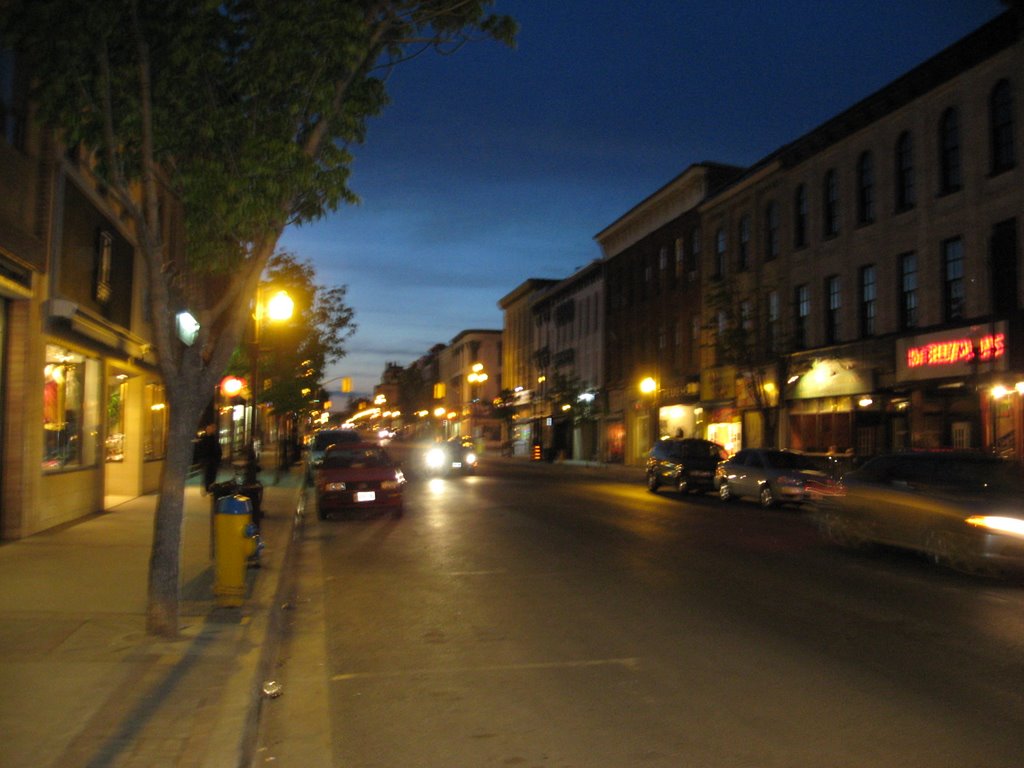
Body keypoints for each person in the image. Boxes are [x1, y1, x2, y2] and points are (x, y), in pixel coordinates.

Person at [196, 423, 221, 494]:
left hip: (213, 459)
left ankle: (211, 487)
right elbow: (201, 448)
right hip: (207, 459)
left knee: (212, 474)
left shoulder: (214, 438)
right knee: (207, 474)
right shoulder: (204, 438)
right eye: (209, 429)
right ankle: (208, 488)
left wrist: (218, 457)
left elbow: (217, 448)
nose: (210, 430)